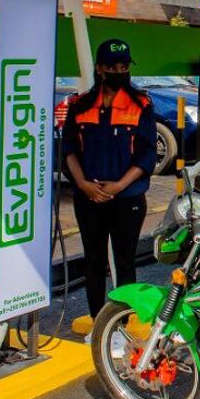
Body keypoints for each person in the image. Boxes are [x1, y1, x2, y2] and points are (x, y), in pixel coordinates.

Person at [62, 39, 157, 319]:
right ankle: (97, 320)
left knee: (125, 262)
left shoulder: (141, 105)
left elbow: (147, 154)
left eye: (124, 66)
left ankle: (122, 322)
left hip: (126, 198)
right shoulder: (80, 106)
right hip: (89, 197)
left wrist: (118, 185)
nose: (119, 71)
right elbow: (68, 149)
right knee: (93, 262)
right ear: (100, 68)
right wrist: (83, 184)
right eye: (113, 66)